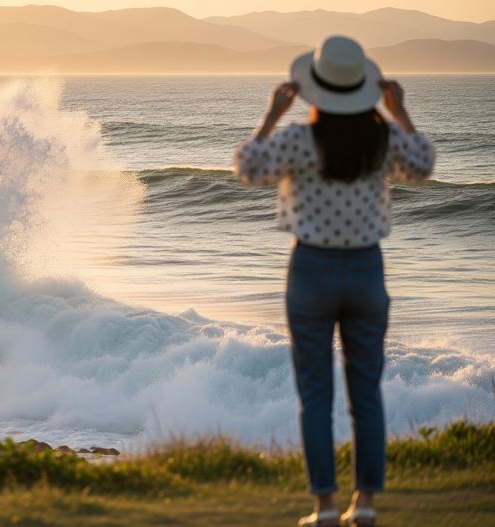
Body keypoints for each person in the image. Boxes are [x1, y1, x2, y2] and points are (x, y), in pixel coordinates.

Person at [233, 36, 435, 527]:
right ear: (364, 91)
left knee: (315, 394)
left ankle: (324, 506)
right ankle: (363, 503)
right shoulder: (382, 139)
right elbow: (424, 164)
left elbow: (247, 166)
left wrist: (271, 115)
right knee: (366, 392)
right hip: (366, 270)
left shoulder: (299, 140)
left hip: (311, 271)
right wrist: (400, 112)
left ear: (315, 92)